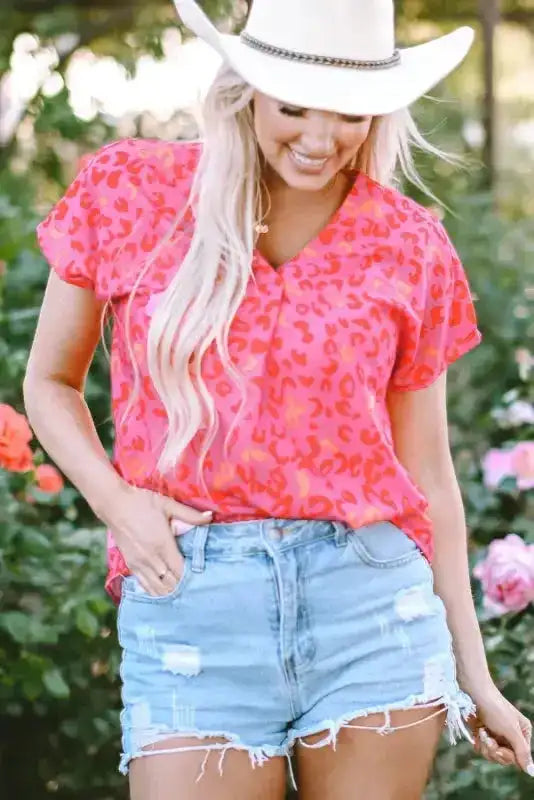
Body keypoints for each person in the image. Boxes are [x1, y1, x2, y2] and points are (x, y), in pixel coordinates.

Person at [24, 0, 533, 797]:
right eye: (293, 105)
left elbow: (428, 475)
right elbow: (48, 383)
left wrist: (479, 675)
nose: (321, 138)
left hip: (371, 606)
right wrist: (118, 502)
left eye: (350, 113)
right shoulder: (134, 194)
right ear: (247, 91)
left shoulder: (408, 243)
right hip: (192, 603)